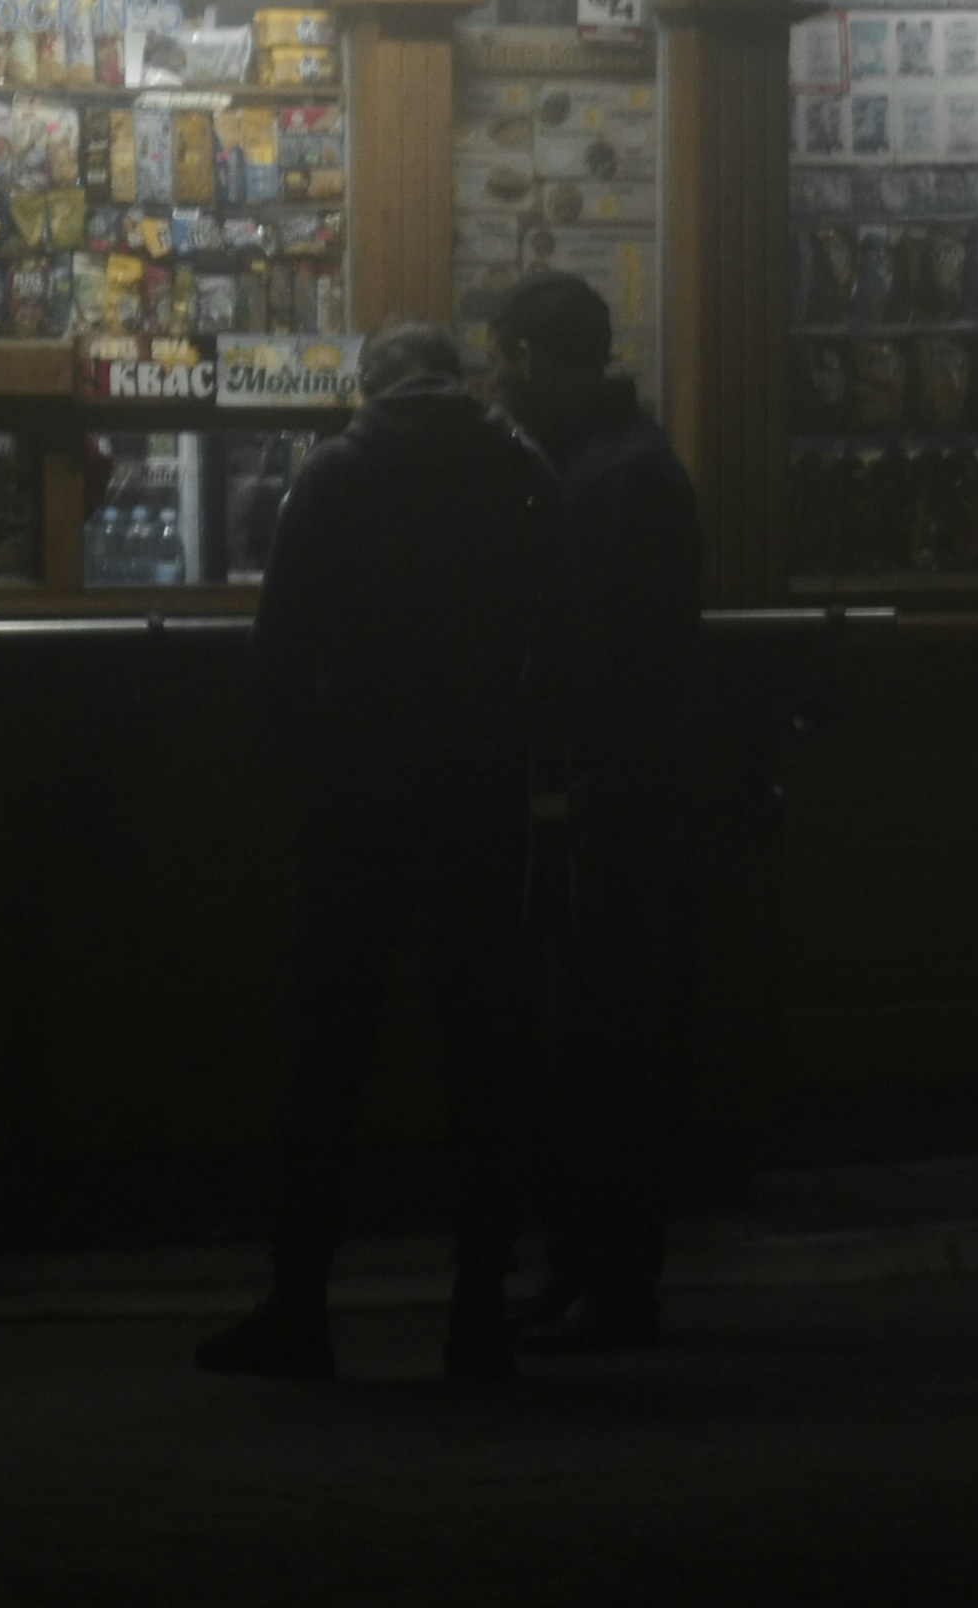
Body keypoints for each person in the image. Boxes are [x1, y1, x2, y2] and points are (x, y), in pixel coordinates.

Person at [197, 319, 562, 1383]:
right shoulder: (523, 471)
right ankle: (478, 1311)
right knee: (484, 1058)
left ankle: (301, 1304)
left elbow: (279, 649)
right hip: (482, 793)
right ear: (456, 380)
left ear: (371, 386)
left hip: (363, 793)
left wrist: (306, 760)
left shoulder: (336, 474)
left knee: (329, 1053)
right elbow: (562, 634)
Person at [482, 269, 710, 1354]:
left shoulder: (616, 479)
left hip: (610, 799)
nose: (494, 382)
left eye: (500, 362)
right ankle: (585, 1268)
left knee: (600, 1044)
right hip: (607, 790)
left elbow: (611, 659)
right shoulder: (613, 463)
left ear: (529, 359)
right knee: (580, 1044)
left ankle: (611, 1280)